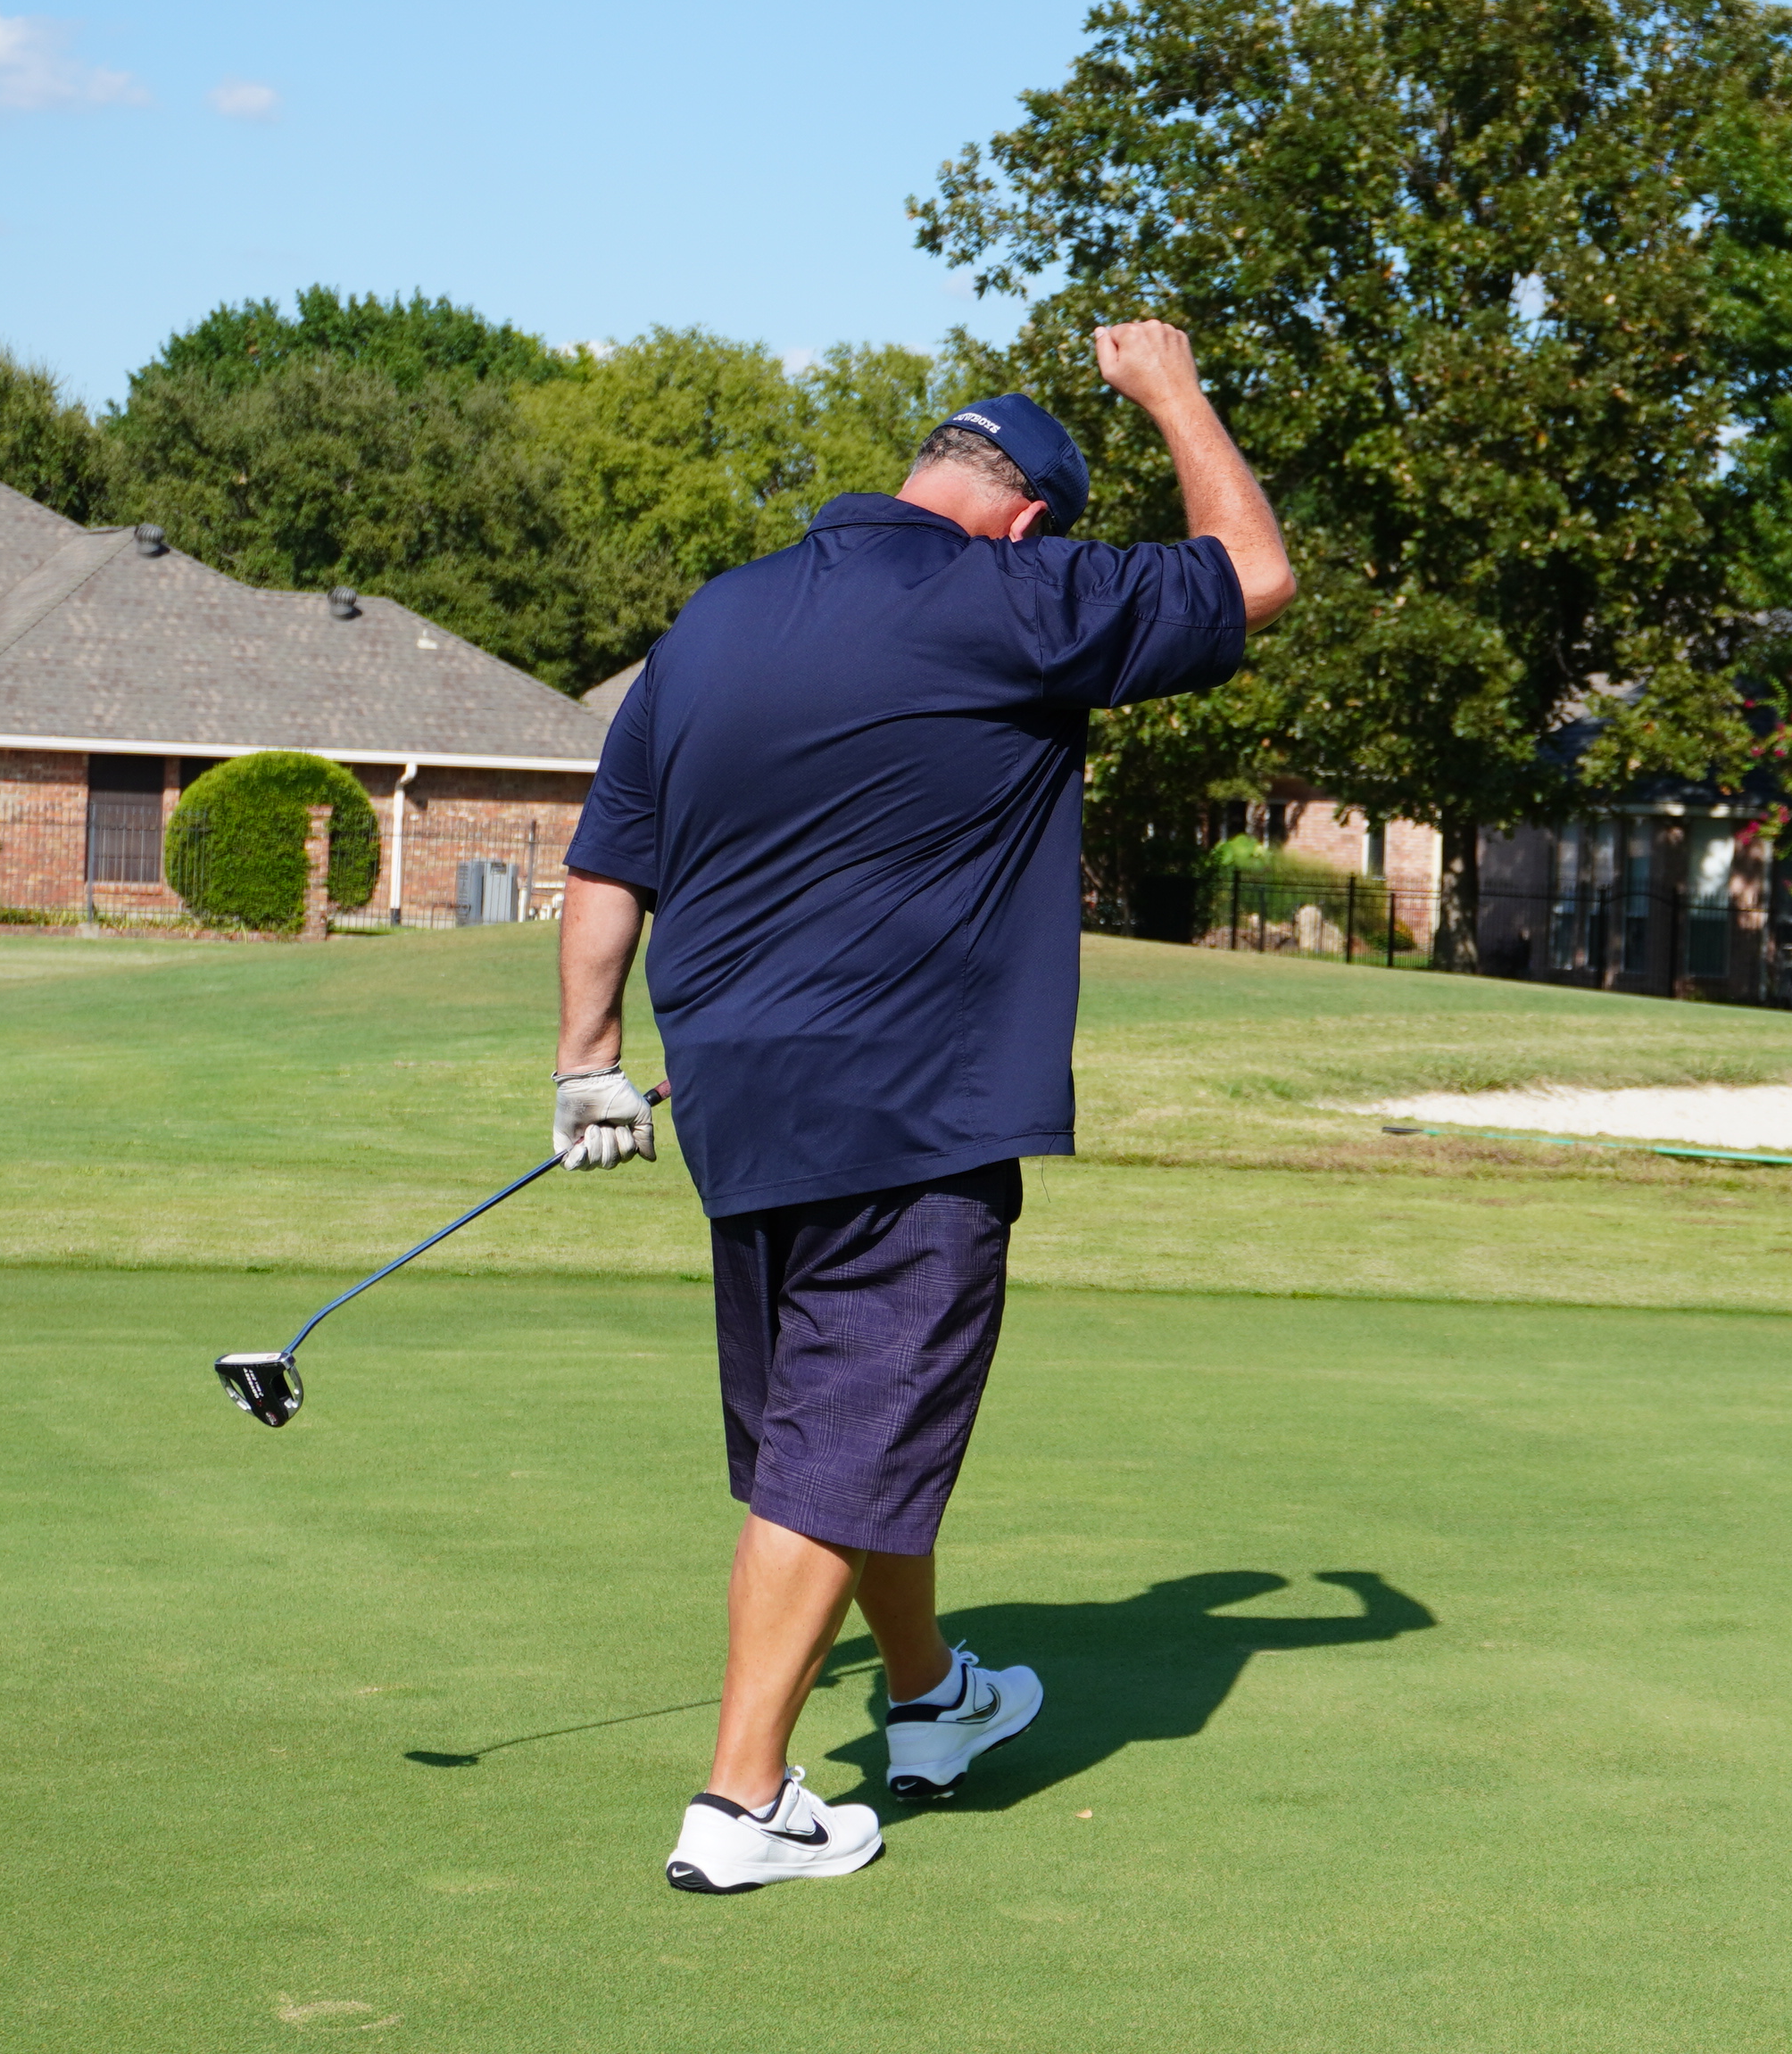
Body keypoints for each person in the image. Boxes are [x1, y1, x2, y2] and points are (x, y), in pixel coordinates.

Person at [547, 319, 1296, 1894]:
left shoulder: (719, 618)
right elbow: (1253, 573)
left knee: (836, 1429)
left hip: (738, 1112)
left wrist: (584, 1060)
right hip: (917, 1109)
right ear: (1029, 517)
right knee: (843, 1439)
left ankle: (929, 1697)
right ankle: (742, 1805)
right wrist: (1167, 387)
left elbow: (612, 858)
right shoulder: (1013, 596)